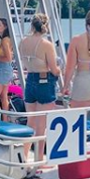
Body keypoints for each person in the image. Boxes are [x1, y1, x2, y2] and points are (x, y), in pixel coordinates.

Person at [19, 14, 61, 163]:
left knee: (31, 121)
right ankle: (39, 159)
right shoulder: (46, 44)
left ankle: (24, 155)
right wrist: (59, 71)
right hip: (44, 81)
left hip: (30, 80)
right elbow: (53, 69)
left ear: (32, 25)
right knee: (42, 125)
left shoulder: (23, 42)